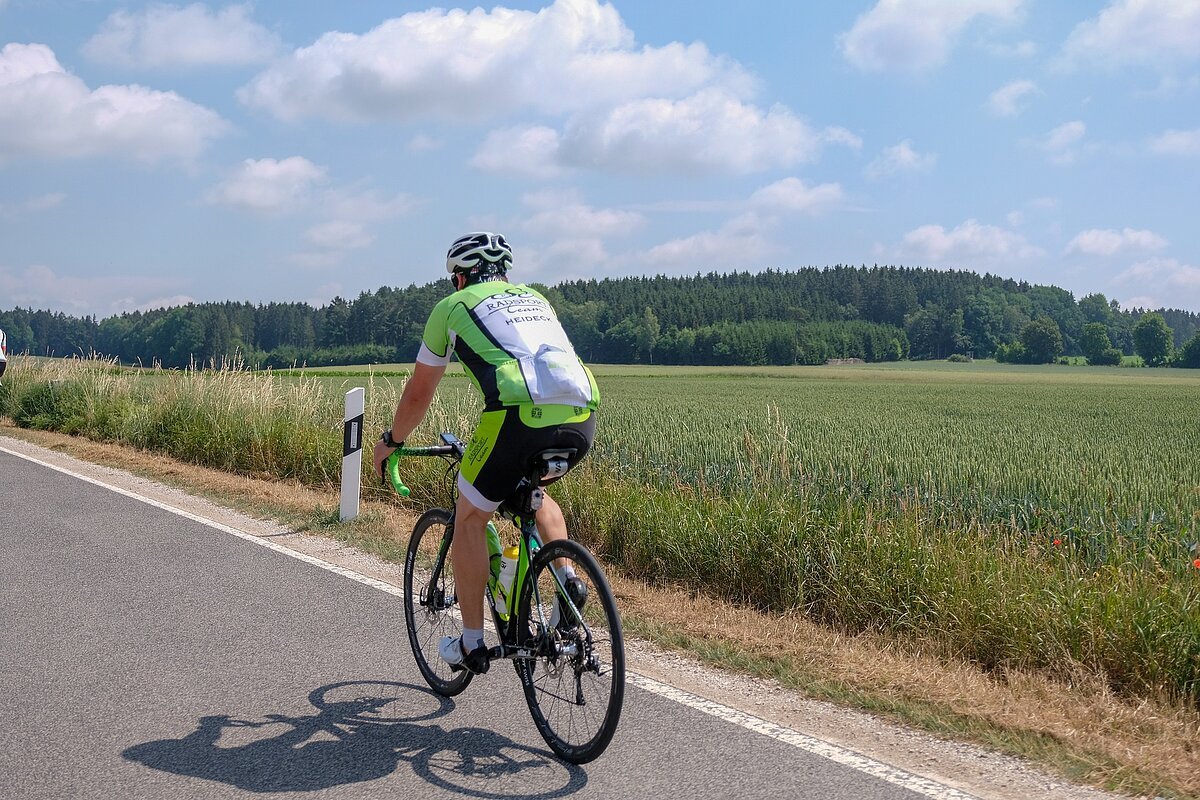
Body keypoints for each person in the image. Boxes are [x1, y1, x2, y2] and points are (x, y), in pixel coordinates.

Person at [373, 232, 599, 675]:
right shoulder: (536, 299)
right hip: (581, 414)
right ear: (504, 274)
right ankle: (567, 579)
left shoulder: (451, 307)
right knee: (535, 495)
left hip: (517, 415)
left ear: (460, 277)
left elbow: (418, 393)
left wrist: (393, 440)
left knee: (470, 516)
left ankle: (472, 642)